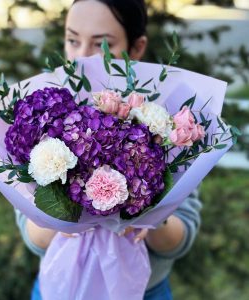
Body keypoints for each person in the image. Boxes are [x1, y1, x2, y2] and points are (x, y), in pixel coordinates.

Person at [15, 1, 202, 299]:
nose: (82, 56)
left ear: (137, 47)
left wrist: (150, 219)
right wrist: (64, 218)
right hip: (59, 289)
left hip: (145, 291)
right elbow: (32, 236)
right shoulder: (45, 115)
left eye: (102, 44)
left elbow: (183, 237)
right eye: (73, 40)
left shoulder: (166, 121)